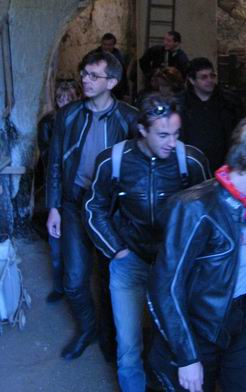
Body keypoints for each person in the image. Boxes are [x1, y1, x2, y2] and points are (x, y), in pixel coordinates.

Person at [148, 118, 246, 392]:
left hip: (243, 319)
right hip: (197, 326)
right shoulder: (195, 208)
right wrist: (187, 356)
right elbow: (165, 286)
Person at [84, 94, 211, 392]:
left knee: (177, 343)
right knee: (129, 347)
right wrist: (117, 250)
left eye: (176, 133)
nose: (172, 142)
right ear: (142, 129)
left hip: (175, 268)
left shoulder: (191, 160)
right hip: (131, 262)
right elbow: (93, 208)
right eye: (163, 135)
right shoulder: (113, 161)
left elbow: (208, 213)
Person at [46, 50, 138, 361]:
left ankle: (110, 337)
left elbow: (138, 168)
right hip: (74, 203)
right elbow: (55, 162)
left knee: (111, 280)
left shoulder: (129, 117)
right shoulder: (68, 115)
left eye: (93, 75)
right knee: (73, 282)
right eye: (84, 73)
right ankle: (88, 329)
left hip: (110, 209)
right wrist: (54, 207)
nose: (85, 80)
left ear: (112, 82)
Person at [36, 80, 82, 303]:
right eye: (60, 99)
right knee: (57, 245)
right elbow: (48, 157)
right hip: (59, 187)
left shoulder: (83, 120)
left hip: (79, 188)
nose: (64, 103)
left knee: (77, 247)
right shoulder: (49, 122)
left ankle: (75, 287)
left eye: (68, 99)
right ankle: (59, 286)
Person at [180, 57, 243, 172]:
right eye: (204, 77)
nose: (209, 80)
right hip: (191, 166)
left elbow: (239, 133)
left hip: (224, 165)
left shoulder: (229, 102)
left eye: (212, 76)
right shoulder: (181, 105)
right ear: (192, 80)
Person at [95, 32, 129, 100]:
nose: (107, 47)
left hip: (116, 91)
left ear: (114, 45)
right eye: (105, 44)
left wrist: (125, 92)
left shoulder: (119, 57)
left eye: (110, 45)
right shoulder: (94, 56)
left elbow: (123, 75)